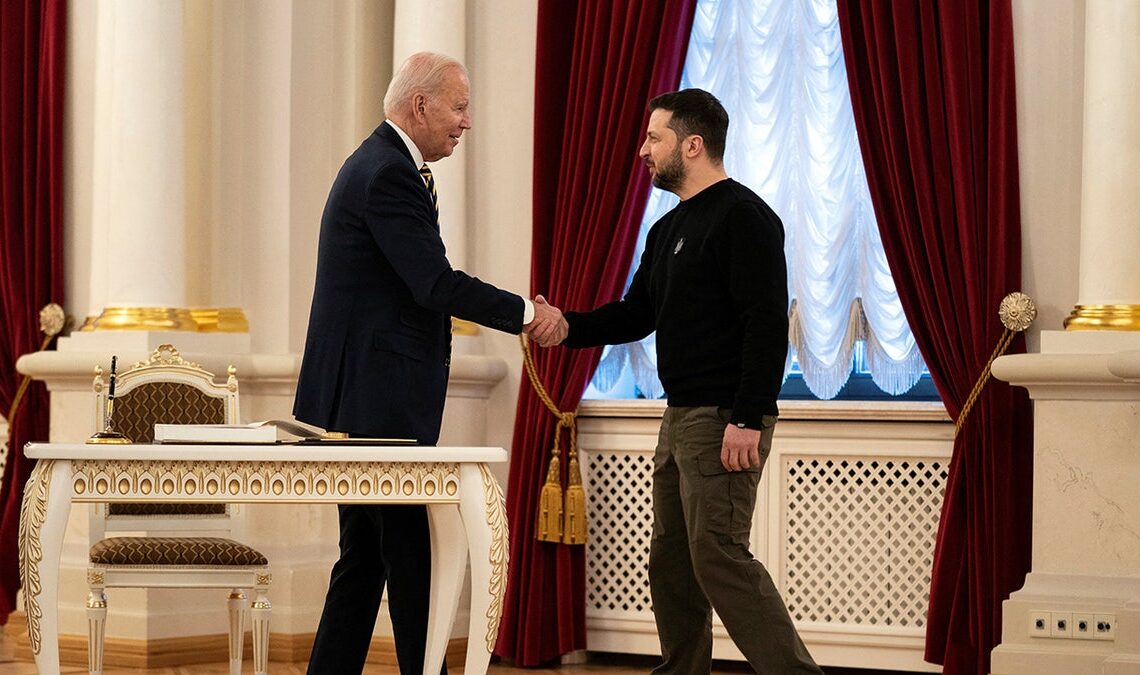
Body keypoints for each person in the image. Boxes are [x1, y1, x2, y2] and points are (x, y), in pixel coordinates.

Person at [293, 51, 565, 675]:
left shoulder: (386, 165)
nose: (466, 122)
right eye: (459, 106)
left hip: (364, 398)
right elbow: (434, 285)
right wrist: (526, 312)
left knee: (367, 557)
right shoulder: (388, 172)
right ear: (420, 106)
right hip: (374, 402)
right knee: (402, 553)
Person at [556, 89, 822, 674]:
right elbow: (635, 314)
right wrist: (564, 326)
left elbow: (765, 324)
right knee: (672, 562)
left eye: (654, 138)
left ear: (692, 144)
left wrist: (748, 416)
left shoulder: (745, 218)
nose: (642, 150)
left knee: (718, 556)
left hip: (724, 416)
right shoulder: (667, 229)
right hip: (678, 417)